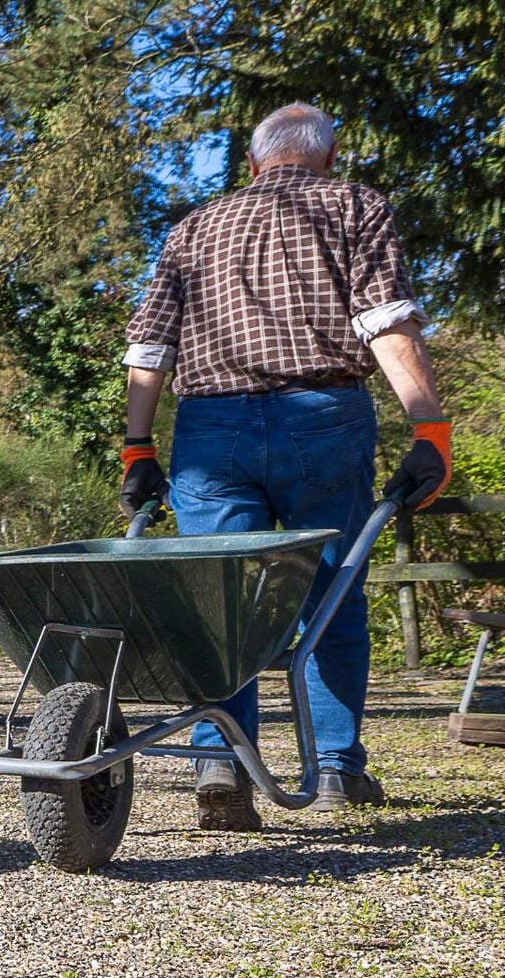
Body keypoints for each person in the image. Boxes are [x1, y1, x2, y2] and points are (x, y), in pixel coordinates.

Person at [120, 102, 456, 827]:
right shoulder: (354, 206)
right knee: (329, 594)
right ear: (328, 157)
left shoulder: (193, 228)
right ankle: (332, 771)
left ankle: (222, 761)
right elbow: (386, 321)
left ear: (251, 164)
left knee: (221, 601)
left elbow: (150, 349)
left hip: (211, 433)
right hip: (322, 420)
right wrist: (429, 428)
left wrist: (137, 447)